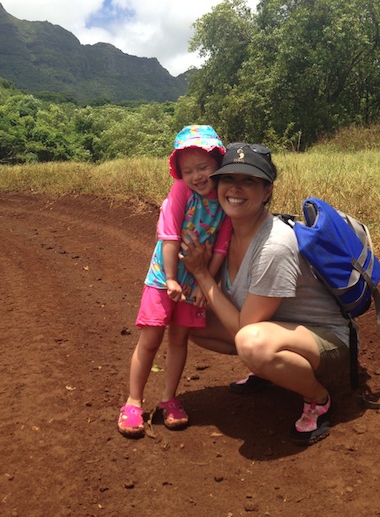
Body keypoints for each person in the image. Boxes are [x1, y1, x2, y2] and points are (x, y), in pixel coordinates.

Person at [179, 142, 352, 445]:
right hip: (276, 328)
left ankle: (319, 399)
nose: (235, 188)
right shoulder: (226, 232)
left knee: (251, 342)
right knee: (190, 319)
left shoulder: (274, 244)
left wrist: (203, 274)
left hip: (327, 341)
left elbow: (246, 327)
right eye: (228, 178)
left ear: (268, 190)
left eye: (249, 180)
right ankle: (271, 370)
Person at [118, 125, 232, 438]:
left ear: (218, 164)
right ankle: (133, 401)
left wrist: (205, 286)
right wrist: (169, 278)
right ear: (179, 173)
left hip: (194, 283)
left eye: (203, 167)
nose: (196, 176)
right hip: (161, 281)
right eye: (188, 170)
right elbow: (168, 235)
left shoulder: (224, 199)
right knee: (150, 340)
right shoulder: (181, 192)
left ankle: (169, 398)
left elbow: (221, 247)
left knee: (179, 341)